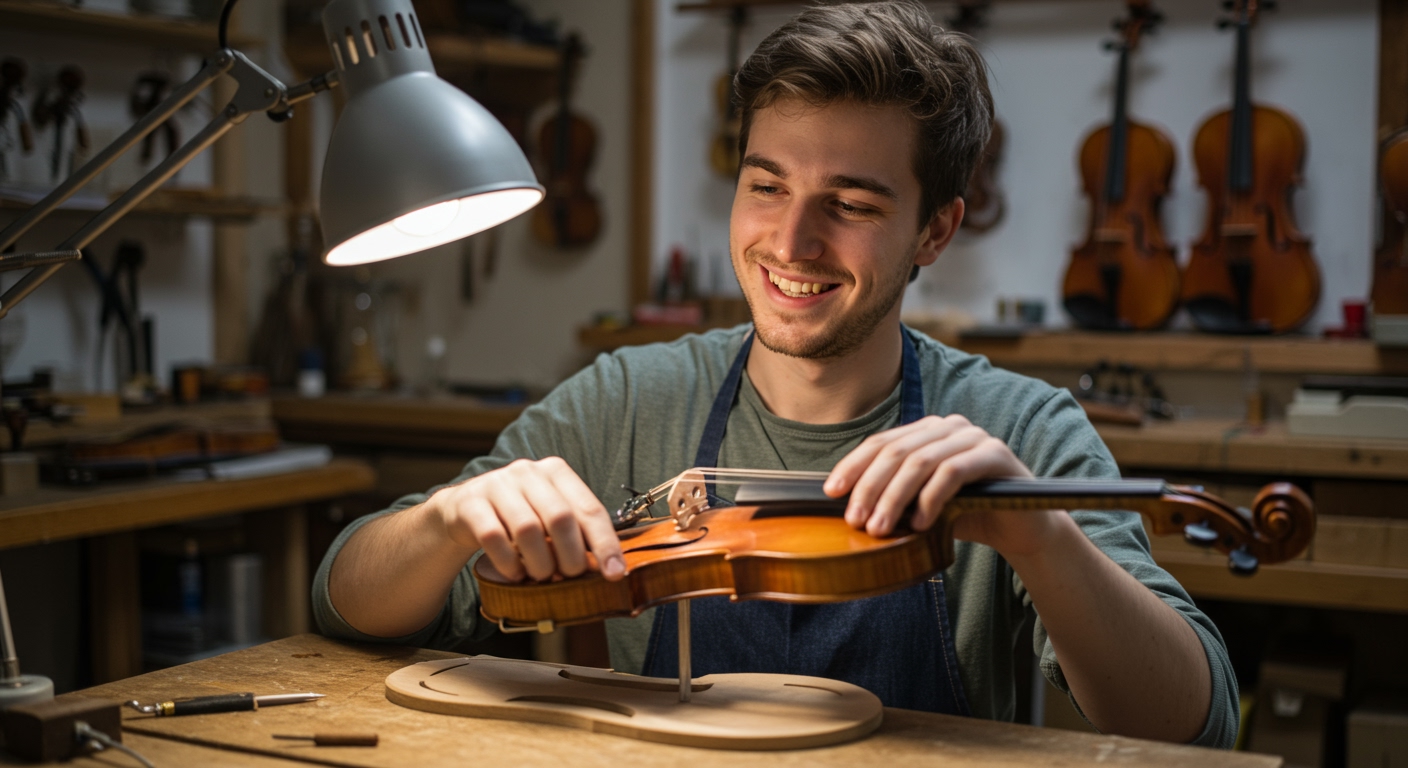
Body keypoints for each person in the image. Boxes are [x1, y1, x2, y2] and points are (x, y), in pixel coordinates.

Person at [314, 1, 1238, 747]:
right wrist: (440, 523)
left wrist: (1046, 542)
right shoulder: (625, 397)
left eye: (850, 203)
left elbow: (1192, 723)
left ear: (935, 230)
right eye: (767, 186)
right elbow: (346, 605)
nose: (790, 243)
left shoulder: (1021, 428)